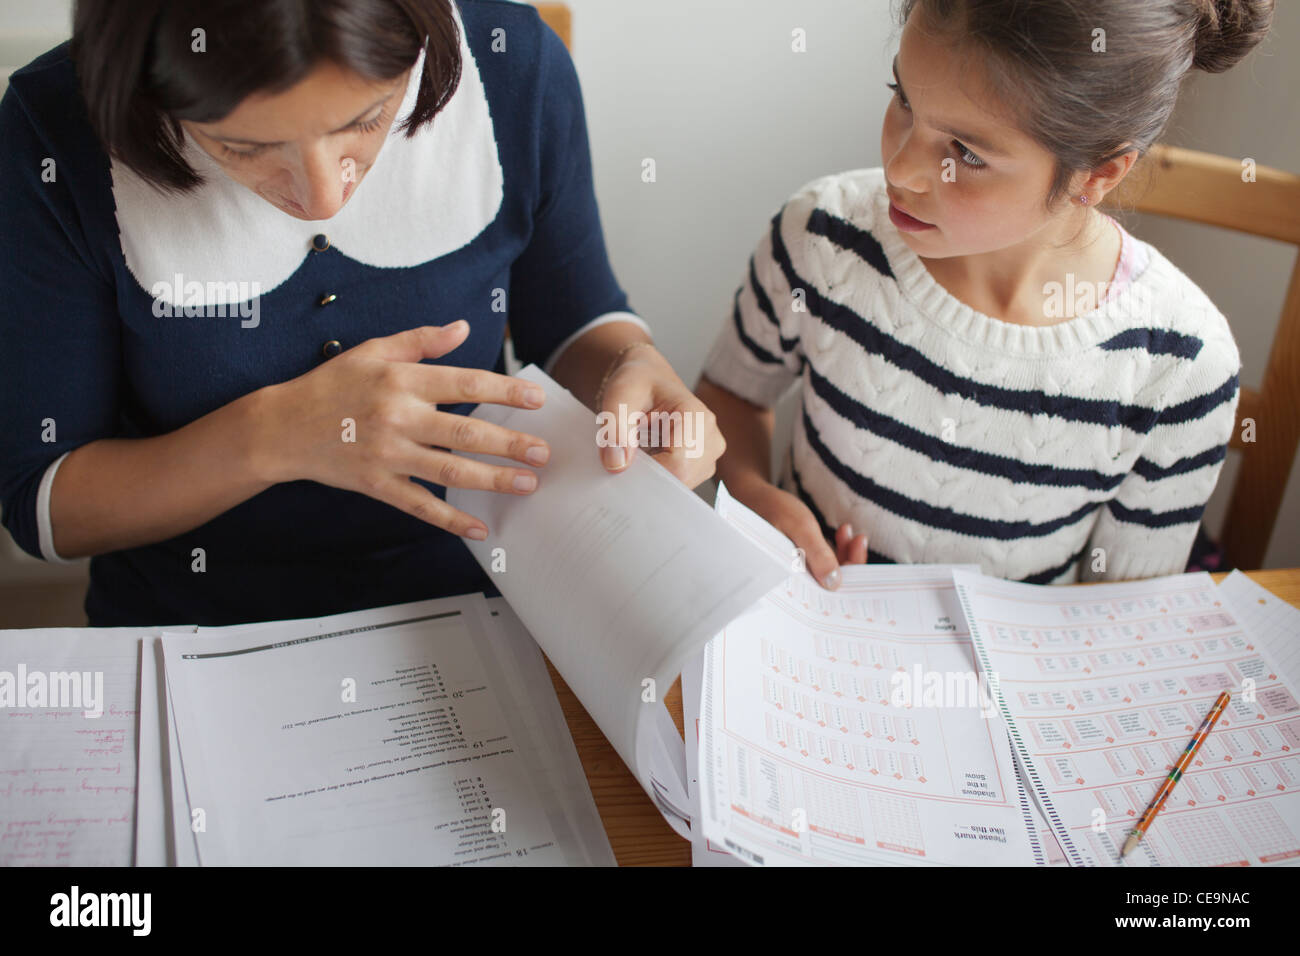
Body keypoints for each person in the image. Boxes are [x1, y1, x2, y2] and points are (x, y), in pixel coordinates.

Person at [0, 0, 723, 625]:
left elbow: (577, 322)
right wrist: (277, 436)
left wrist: (632, 365)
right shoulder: (53, 133)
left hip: (490, 594)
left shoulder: (515, 66)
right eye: (244, 148)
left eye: (368, 117)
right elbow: (43, 504)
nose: (323, 194)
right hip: (196, 624)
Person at [697, 0, 1273, 590]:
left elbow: (1122, 612)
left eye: (966, 154)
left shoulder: (1179, 363)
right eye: (903, 98)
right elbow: (732, 395)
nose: (901, 169)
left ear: (1095, 176)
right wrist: (748, 493)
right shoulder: (822, 236)